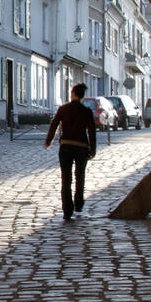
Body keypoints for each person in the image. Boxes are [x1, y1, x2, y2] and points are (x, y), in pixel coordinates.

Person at [45, 82, 97, 221]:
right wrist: (93, 149)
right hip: (81, 147)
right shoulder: (86, 111)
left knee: (66, 178)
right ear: (82, 96)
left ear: (73, 93)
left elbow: (54, 124)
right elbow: (91, 131)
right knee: (80, 176)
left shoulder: (63, 109)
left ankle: (67, 209)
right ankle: (79, 203)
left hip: (66, 146)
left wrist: (49, 140)